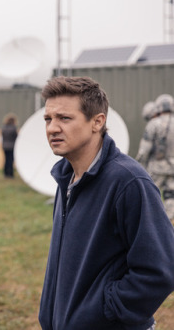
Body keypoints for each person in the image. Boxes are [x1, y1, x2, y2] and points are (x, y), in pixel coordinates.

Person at [39, 76, 174, 330]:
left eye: (64, 118)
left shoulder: (128, 182)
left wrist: (105, 312)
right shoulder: (66, 178)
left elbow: (160, 271)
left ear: (97, 122)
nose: (52, 128)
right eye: (48, 119)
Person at [136, 94, 174, 224]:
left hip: (156, 168)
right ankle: (169, 224)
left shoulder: (154, 123)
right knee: (170, 196)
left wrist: (137, 166)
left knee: (149, 195)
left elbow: (145, 149)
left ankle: (149, 222)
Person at [1, 113, 18, 178]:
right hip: (11, 146)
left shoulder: (4, 128)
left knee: (6, 160)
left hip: (5, 146)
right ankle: (10, 174)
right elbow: (16, 137)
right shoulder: (13, 128)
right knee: (10, 160)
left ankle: (5, 174)